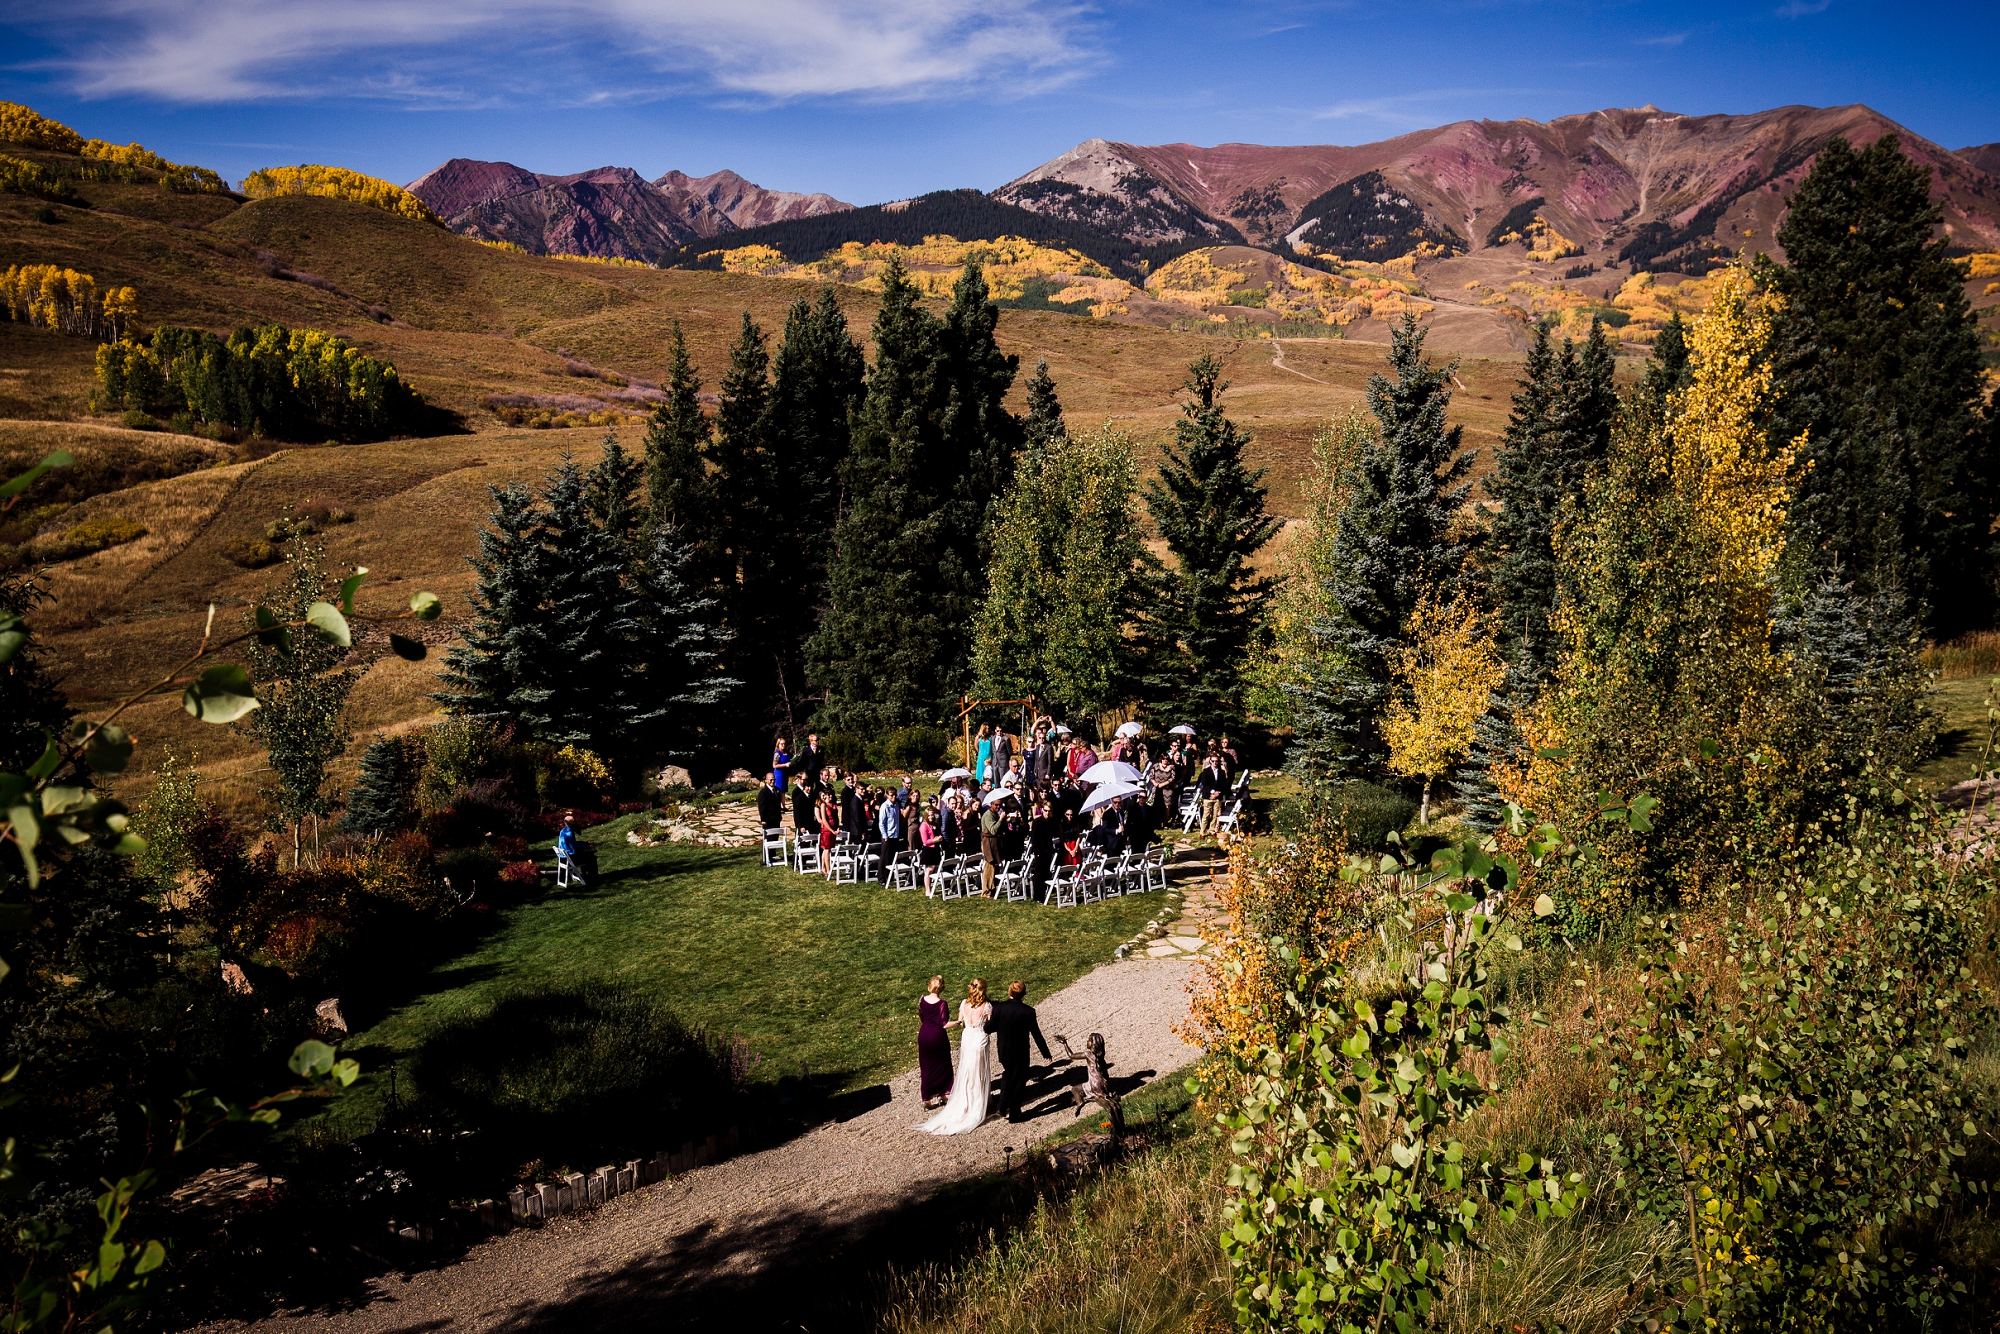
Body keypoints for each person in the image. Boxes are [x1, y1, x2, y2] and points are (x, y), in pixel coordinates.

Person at [917, 979, 992, 1134]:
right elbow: (989, 1025)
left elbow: (923, 1016)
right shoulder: (986, 1006)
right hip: (976, 1038)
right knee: (975, 1070)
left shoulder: (963, 1003)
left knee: (962, 1069)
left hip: (955, 1037)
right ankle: (976, 1100)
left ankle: (932, 1097)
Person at [988, 981, 1051, 1123]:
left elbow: (989, 1028)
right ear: (1023, 994)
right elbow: (1036, 1034)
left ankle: (1002, 1107)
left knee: (1007, 1076)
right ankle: (1015, 1113)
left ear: (1009, 992)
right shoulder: (1028, 1011)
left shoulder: (999, 1008)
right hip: (1020, 1052)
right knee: (1019, 1082)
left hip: (1004, 1051)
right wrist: (1045, 1052)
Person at [918, 976, 957, 1109]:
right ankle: (942, 1093)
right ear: (942, 988)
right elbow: (944, 1024)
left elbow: (921, 1016)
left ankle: (926, 1098)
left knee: (926, 1066)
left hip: (924, 1035)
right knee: (943, 1065)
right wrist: (959, 1022)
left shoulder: (922, 1000)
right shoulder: (942, 1004)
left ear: (929, 987)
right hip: (938, 1037)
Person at [554, 811, 589, 886]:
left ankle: (586, 876)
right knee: (590, 857)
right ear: (571, 823)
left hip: (562, 857)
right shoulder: (569, 834)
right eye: (574, 821)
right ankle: (590, 876)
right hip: (570, 859)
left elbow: (571, 844)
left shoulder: (562, 831)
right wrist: (586, 844)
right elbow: (575, 848)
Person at [980, 797, 1004, 896]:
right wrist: (1001, 819)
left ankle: (992, 888)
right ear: (991, 804)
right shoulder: (988, 815)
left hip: (994, 843)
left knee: (994, 866)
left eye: (1000, 805)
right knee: (989, 867)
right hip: (988, 844)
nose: (998, 807)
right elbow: (993, 830)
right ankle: (986, 891)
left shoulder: (995, 814)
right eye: (996, 805)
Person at [791, 771, 817, 839]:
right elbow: (797, 811)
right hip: (802, 821)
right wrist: (800, 825)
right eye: (804, 779)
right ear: (799, 779)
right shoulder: (796, 792)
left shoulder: (810, 793)